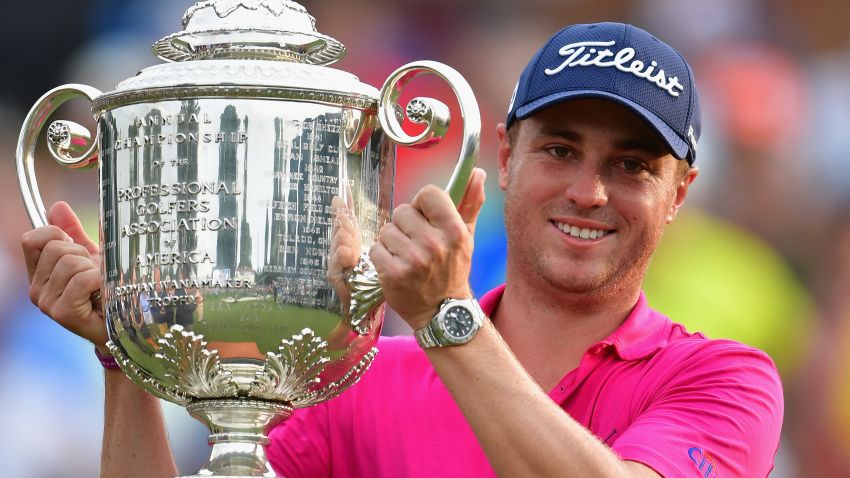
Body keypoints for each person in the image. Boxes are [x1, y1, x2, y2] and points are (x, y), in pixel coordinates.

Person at [21, 22, 782, 477]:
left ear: (679, 193)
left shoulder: (726, 380)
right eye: (559, 149)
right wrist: (123, 355)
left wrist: (446, 320)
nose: (589, 190)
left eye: (631, 166)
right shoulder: (361, 377)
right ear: (507, 160)